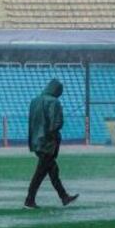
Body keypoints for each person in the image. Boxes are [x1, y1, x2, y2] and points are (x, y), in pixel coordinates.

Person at [25, 79, 78, 209]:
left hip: (36, 141)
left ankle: (64, 197)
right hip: (48, 142)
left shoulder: (34, 101)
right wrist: (54, 135)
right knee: (41, 173)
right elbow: (56, 123)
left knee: (52, 170)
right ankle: (29, 200)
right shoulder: (54, 102)